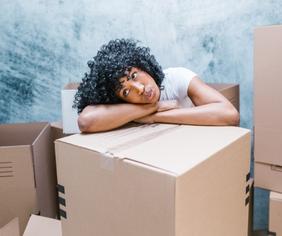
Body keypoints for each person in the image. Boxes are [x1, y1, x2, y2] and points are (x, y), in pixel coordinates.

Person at [73, 39, 239, 133]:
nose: (139, 89)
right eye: (126, 91)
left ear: (143, 65)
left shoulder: (176, 78)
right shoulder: (123, 106)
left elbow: (230, 114)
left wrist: (155, 116)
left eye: (134, 75)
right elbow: (85, 122)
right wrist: (155, 106)